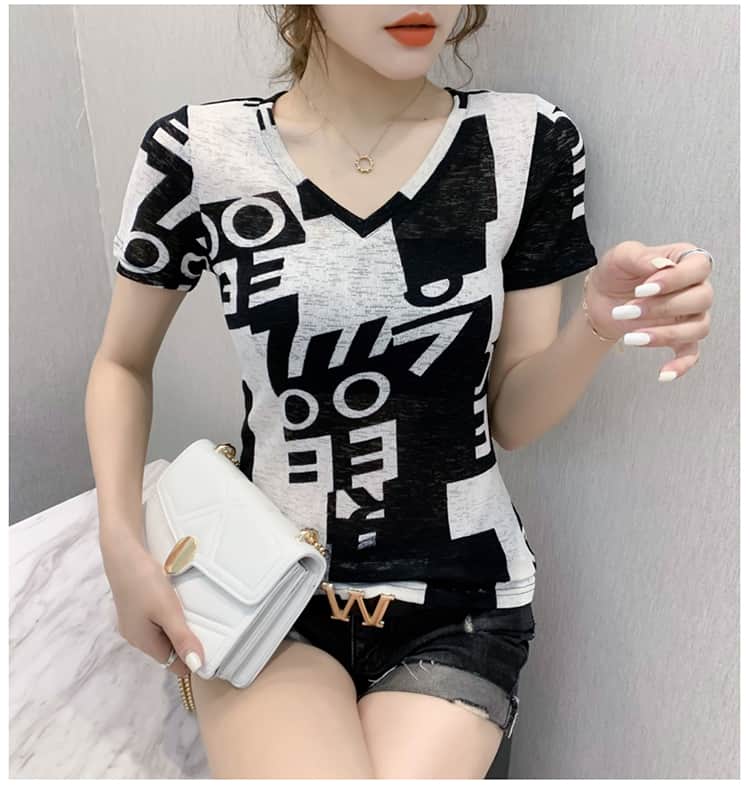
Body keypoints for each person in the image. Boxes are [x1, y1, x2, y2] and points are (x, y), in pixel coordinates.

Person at [85, 3, 714, 780]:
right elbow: (121, 363)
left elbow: (511, 416)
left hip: (458, 601)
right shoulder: (196, 152)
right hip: (262, 586)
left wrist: (597, 324)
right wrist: (120, 543)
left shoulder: (526, 143)